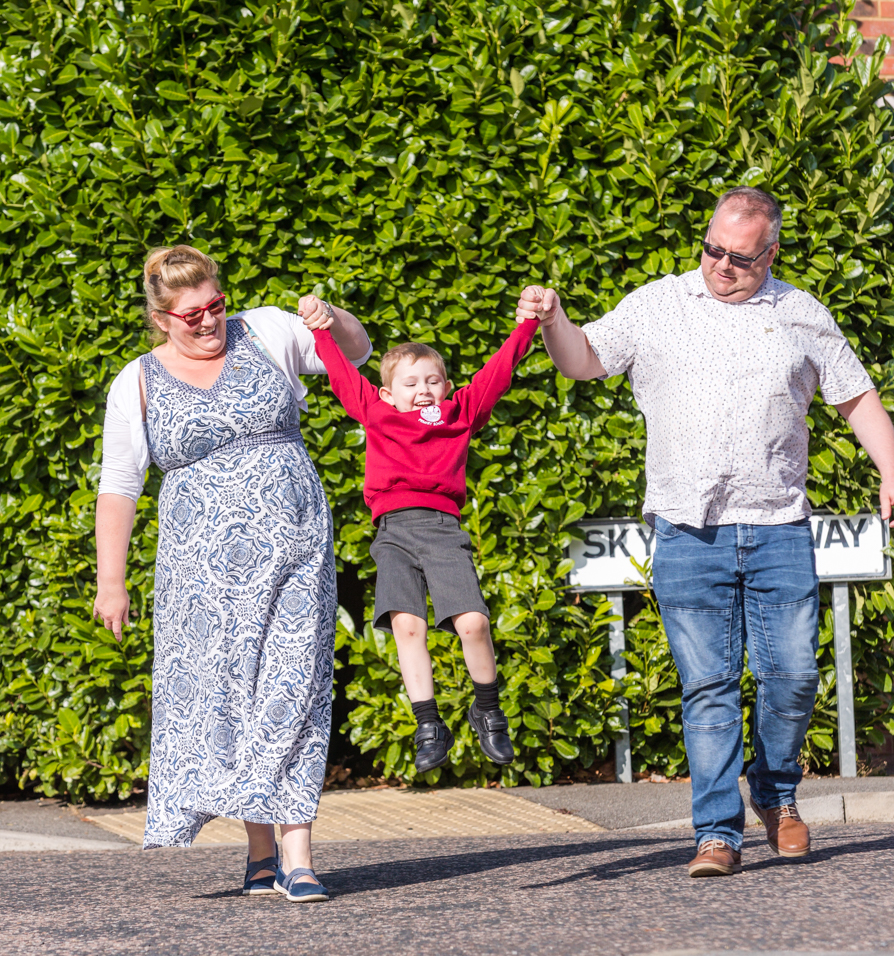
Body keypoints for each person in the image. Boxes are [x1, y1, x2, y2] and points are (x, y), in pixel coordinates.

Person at [518, 186, 894, 877]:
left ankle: (776, 796)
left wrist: (892, 465)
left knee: (794, 676)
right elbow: (582, 360)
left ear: (771, 253)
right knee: (709, 686)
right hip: (688, 529)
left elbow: (855, 396)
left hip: (778, 523)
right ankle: (716, 834)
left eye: (741, 259)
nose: (721, 266)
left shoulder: (799, 313)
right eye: (713, 249)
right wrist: (554, 320)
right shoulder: (657, 303)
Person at [94, 246, 372, 902]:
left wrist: (331, 316)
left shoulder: (269, 328)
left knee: (294, 684)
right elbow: (118, 484)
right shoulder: (136, 380)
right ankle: (257, 851)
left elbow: (356, 352)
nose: (208, 321)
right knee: (232, 698)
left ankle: (297, 854)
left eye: (215, 305)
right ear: (161, 318)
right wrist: (112, 581)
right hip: (200, 576)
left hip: (296, 547)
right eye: (191, 315)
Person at [302, 294, 541, 774]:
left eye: (433, 381)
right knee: (406, 626)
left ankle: (487, 709)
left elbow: (497, 373)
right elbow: (343, 376)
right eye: (410, 383)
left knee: (472, 622)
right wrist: (319, 329)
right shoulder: (378, 412)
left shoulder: (459, 414)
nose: (423, 389)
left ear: (448, 387)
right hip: (392, 532)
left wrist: (527, 325)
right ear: (389, 393)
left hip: (441, 530)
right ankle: (428, 724)